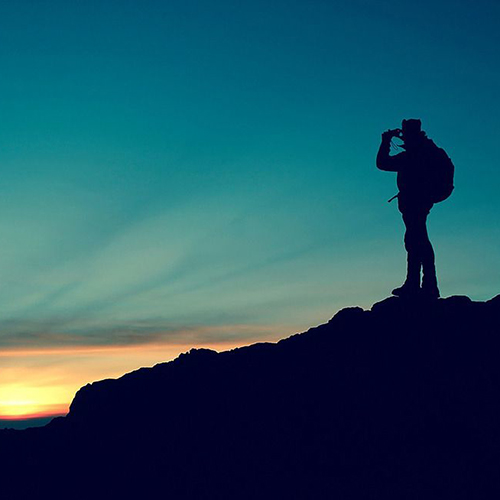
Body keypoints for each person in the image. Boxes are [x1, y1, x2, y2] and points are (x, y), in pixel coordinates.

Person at [376, 118, 448, 298]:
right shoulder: (426, 150)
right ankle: (419, 284)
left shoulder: (415, 154)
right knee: (415, 239)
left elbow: (382, 163)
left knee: (417, 240)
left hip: (416, 201)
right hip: (420, 201)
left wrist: (385, 141)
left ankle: (422, 285)